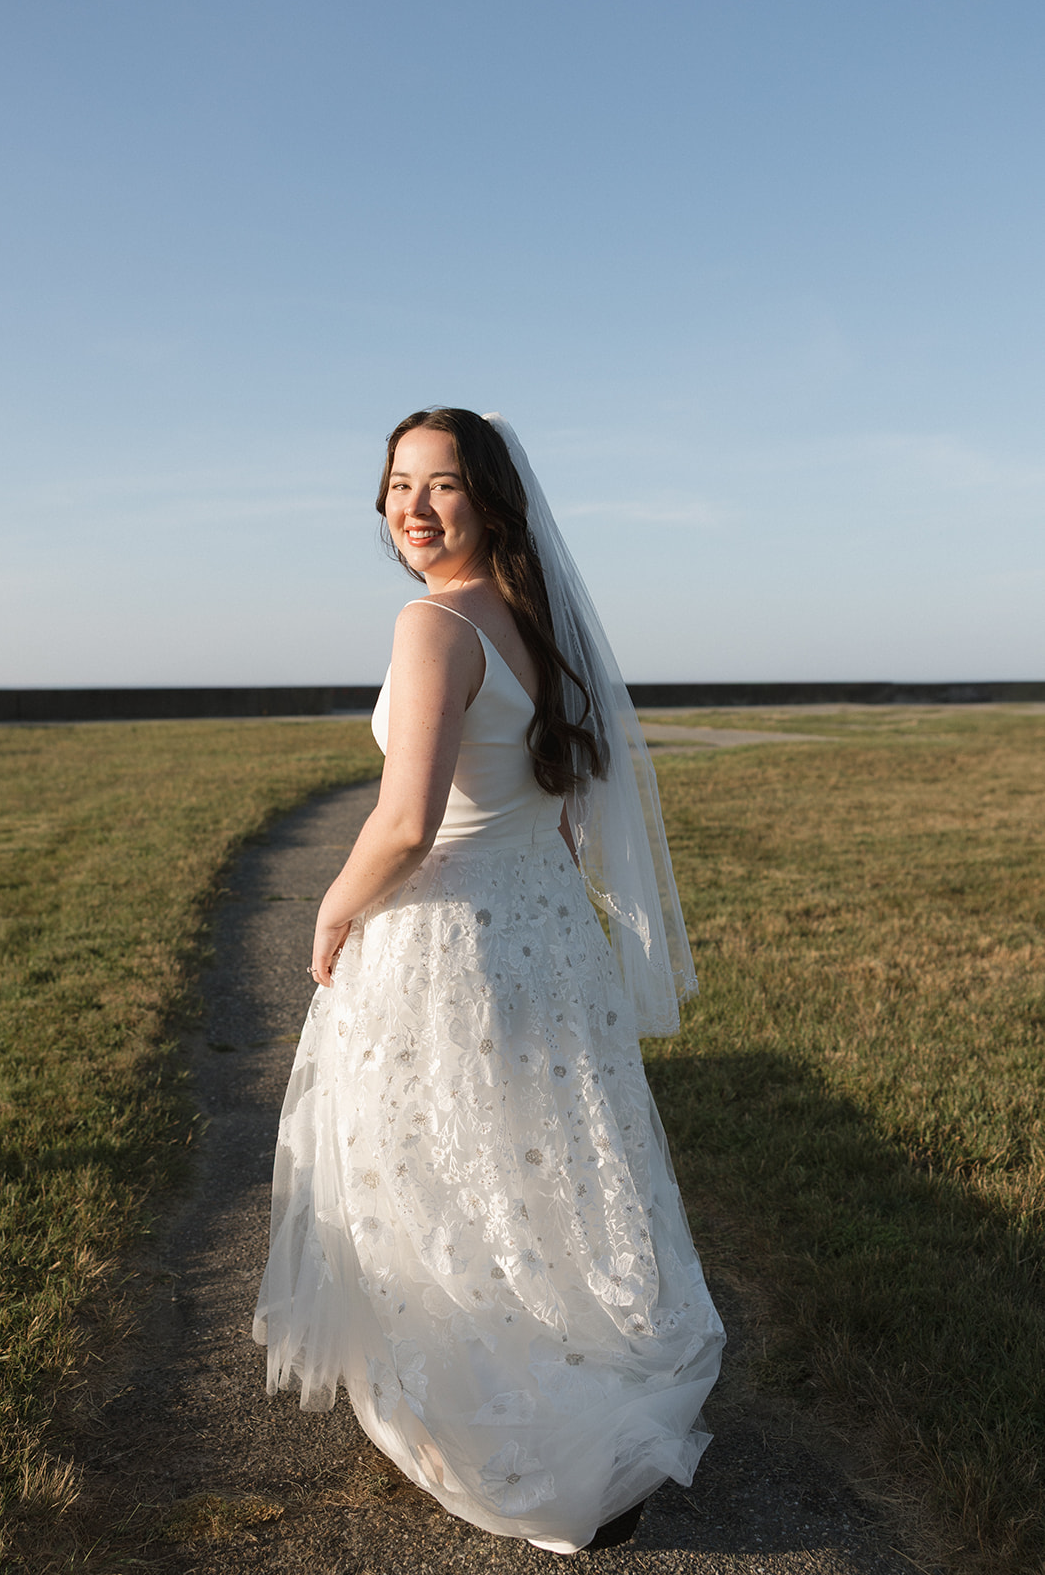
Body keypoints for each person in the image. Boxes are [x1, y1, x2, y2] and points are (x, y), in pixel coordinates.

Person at [253, 409, 724, 1554]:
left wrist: (333, 903)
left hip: (448, 931)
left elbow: (406, 820)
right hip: (539, 921)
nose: (411, 507)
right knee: (537, 1157)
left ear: (491, 503)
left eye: (443, 485)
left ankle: (510, 1426)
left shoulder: (432, 625)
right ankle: (580, 1383)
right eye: (397, 484)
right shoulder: (533, 622)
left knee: (431, 1170)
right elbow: (551, 806)